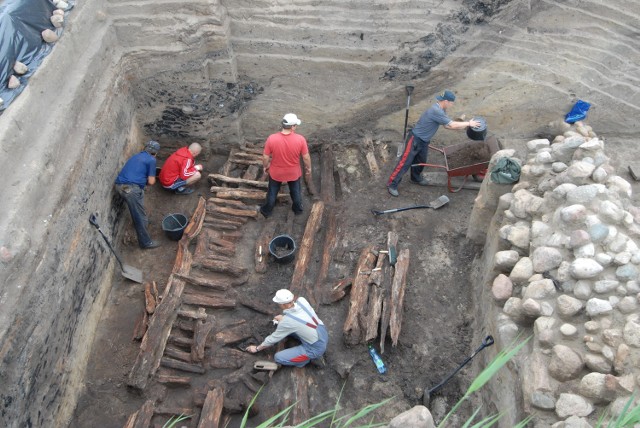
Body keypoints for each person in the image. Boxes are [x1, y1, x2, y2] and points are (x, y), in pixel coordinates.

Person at [387, 90, 482, 197]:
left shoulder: (442, 109)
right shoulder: (436, 110)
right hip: (415, 139)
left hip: (424, 141)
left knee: (421, 160)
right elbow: (451, 125)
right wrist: (469, 123)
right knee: (405, 162)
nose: (452, 105)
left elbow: (447, 126)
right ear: (446, 101)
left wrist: (465, 126)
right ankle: (392, 184)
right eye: (451, 103)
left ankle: (415, 178)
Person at [246, 289, 328, 367]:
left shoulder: (287, 322)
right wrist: (283, 318)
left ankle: (306, 360)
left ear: (282, 304)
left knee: (278, 358)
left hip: (315, 348)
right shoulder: (302, 300)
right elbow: (298, 316)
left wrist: (257, 348)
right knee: (293, 328)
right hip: (322, 332)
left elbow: (273, 339)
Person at [259, 113, 312, 218]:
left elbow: (265, 157)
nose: (296, 127)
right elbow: (306, 157)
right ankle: (298, 209)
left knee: (272, 193)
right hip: (293, 173)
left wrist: (265, 166)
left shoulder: (272, 138)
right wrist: (308, 168)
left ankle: (266, 211)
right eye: (296, 125)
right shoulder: (300, 139)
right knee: (296, 192)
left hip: (276, 173)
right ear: (292, 127)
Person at [114, 140, 161, 249]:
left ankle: (144, 221)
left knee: (140, 199)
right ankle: (145, 242)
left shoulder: (136, 156)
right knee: (138, 216)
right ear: (156, 153)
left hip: (120, 185)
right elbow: (151, 181)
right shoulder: (151, 160)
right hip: (130, 189)